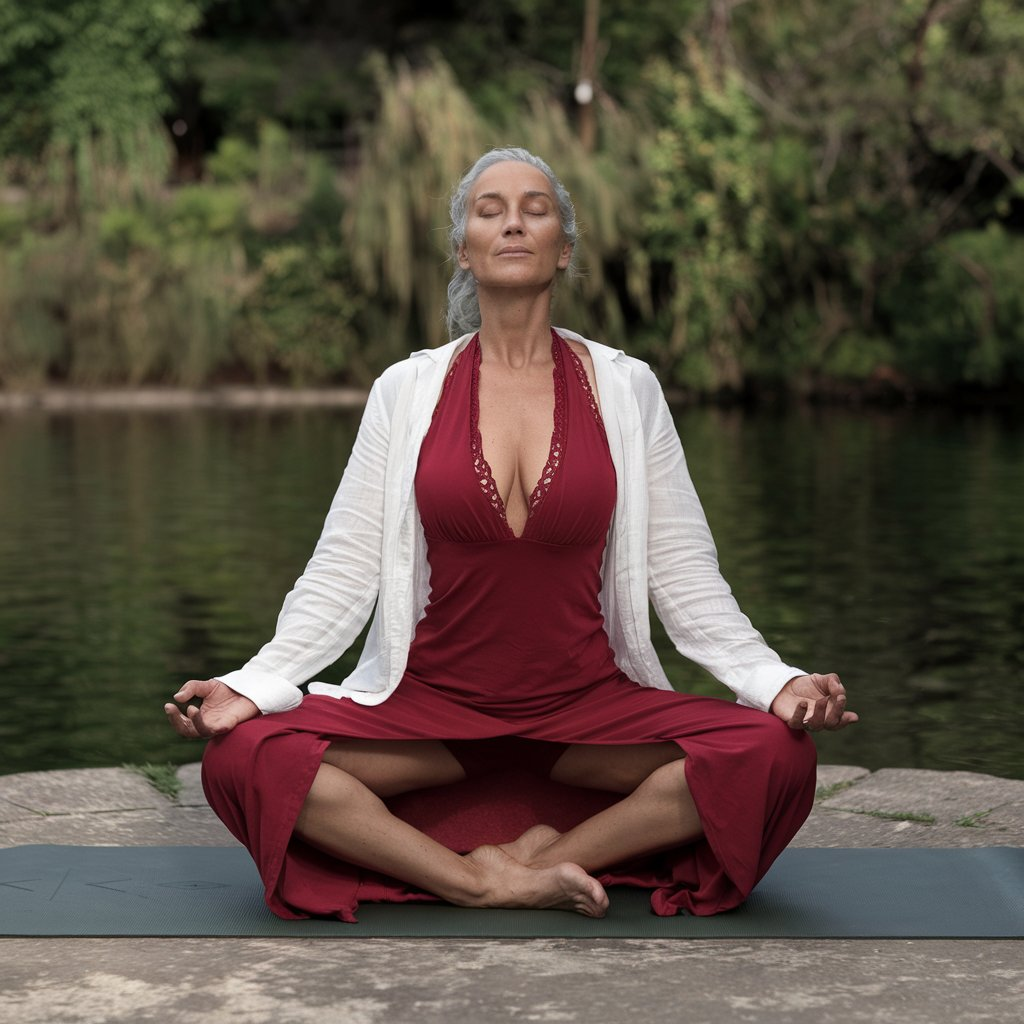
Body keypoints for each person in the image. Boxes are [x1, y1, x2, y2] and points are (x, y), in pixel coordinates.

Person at [165, 146, 857, 922]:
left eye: (536, 207)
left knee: (775, 754)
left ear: (564, 248)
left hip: (590, 711)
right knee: (240, 756)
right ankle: (477, 881)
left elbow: (686, 577)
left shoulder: (628, 388)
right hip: (428, 712)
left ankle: (544, 858)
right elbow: (343, 571)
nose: (514, 221)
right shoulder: (407, 390)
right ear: (464, 249)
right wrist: (250, 687)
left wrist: (776, 680)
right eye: (489, 210)